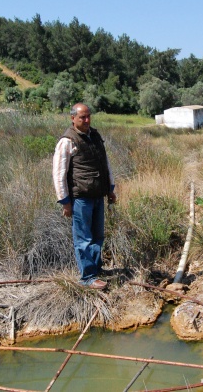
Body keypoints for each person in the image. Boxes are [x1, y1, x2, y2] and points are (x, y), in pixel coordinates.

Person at [53, 103, 116, 289]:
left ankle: (96, 270)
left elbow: (105, 164)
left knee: (98, 236)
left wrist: (110, 188)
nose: (87, 120)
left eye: (88, 116)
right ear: (73, 118)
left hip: (98, 195)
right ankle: (87, 278)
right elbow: (59, 174)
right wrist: (65, 202)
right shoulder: (67, 141)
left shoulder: (95, 136)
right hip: (80, 198)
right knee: (84, 239)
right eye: (82, 117)